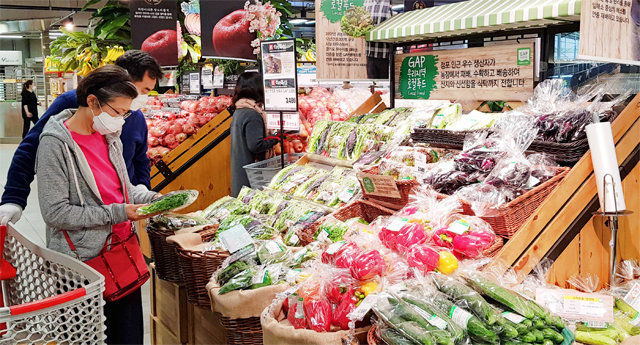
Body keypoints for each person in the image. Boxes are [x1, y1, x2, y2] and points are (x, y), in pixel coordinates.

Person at [36, 65, 158, 345]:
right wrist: (118, 212)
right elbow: (55, 212)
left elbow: (124, 189)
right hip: (81, 263)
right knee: (83, 337)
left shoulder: (109, 137)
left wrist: (152, 199)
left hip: (121, 253)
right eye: (117, 112)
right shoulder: (55, 144)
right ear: (92, 102)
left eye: (126, 113)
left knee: (127, 336)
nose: (121, 121)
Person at [0, 50, 163, 226]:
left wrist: (145, 195)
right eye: (144, 90)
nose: (144, 98)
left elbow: (139, 161)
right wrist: (14, 197)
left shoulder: (133, 119)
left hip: (123, 221)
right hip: (84, 222)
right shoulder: (75, 106)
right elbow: (32, 147)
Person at [230, 71, 279, 196]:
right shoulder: (252, 114)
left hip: (240, 173)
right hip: (251, 177)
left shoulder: (239, 110)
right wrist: (276, 138)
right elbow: (255, 145)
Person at [365, 0, 392, 79]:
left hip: (384, 54)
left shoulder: (388, 3)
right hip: (369, 52)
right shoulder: (367, 2)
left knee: (384, 84)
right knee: (372, 84)